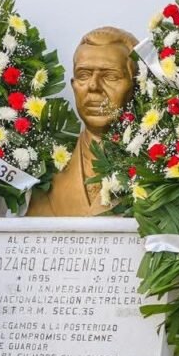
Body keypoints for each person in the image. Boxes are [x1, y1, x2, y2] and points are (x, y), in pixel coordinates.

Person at [27, 26, 137, 216]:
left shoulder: (159, 170)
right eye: (83, 75)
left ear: (137, 85)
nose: (93, 86)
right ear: (73, 85)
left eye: (110, 76)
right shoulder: (42, 171)